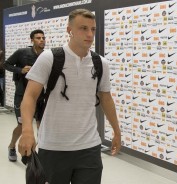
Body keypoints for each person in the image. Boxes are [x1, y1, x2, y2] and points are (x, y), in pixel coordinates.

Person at [18, 9, 121, 184]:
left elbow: (106, 98)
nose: (89, 34)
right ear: (69, 30)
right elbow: (29, 96)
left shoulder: (100, 63)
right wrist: (27, 130)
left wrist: (116, 131)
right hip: (53, 148)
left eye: (93, 29)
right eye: (83, 28)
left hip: (89, 148)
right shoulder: (49, 58)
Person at [4, 29, 46, 162]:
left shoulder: (46, 56)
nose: (41, 40)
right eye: (38, 38)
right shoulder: (22, 53)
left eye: (43, 38)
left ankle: (37, 154)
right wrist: (20, 70)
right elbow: (6, 64)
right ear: (32, 40)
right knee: (22, 125)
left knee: (42, 126)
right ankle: (12, 146)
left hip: (40, 97)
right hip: (22, 96)